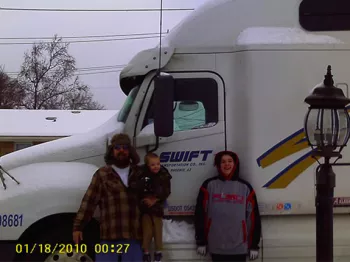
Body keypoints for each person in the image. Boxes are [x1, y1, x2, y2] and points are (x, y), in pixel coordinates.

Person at [72, 133, 143, 262]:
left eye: (125, 147)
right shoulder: (102, 174)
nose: (121, 150)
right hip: (109, 238)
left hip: (134, 237)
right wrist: (78, 227)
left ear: (130, 151)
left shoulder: (139, 173)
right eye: (117, 147)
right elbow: (89, 202)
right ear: (112, 151)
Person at [194, 151, 261, 262]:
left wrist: (254, 245)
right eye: (223, 162)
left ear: (235, 164)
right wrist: (201, 241)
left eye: (230, 161)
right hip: (216, 246)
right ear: (218, 165)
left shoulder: (245, 187)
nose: (227, 164)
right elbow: (200, 214)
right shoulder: (208, 185)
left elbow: (253, 218)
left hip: (239, 247)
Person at [138, 152, 172, 262]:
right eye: (153, 165)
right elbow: (137, 190)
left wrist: (156, 199)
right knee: (147, 231)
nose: (156, 166)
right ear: (147, 165)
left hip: (157, 209)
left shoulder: (163, 175)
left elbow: (167, 191)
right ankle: (146, 252)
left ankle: (158, 252)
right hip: (145, 209)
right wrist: (144, 200)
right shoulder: (141, 175)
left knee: (158, 231)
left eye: (158, 164)